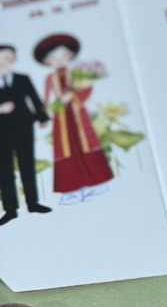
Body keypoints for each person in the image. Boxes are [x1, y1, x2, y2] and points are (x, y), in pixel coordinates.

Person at [33, 34, 113, 203]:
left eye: (63, 55)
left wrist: (73, 97)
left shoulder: (76, 73)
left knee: (86, 144)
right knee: (65, 149)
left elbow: (86, 89)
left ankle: (97, 185)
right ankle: (71, 190)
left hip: (78, 114)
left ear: (70, 55)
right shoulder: (50, 78)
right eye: (53, 57)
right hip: (61, 119)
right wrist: (43, 116)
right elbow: (45, 99)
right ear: (47, 61)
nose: (59, 60)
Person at [0, 44, 52, 225]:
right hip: (1, 131)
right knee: (4, 170)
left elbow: (34, 98)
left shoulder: (22, 78)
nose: (2, 62)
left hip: (23, 126)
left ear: (14, 60)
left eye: (7, 58)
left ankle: (33, 203)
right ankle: (10, 210)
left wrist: (42, 117)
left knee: (27, 166)